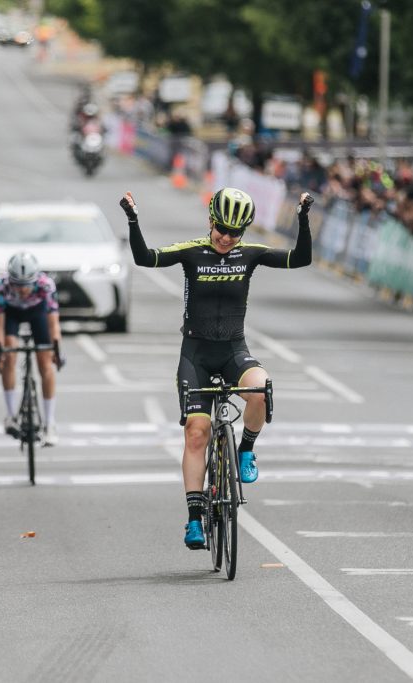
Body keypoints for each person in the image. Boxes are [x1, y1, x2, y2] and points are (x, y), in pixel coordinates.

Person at [119, 187, 313, 550]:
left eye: (234, 232)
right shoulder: (191, 252)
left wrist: (302, 218)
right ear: (210, 221)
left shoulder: (250, 255)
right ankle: (194, 519)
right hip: (196, 356)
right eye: (221, 228)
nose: (226, 237)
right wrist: (133, 219)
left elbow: (300, 259)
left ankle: (246, 449)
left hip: (233, 351)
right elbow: (145, 258)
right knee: (196, 432)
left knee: (261, 389)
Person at [0, 252, 64, 445]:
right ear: (10, 280)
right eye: (17, 285)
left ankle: (49, 424)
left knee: (45, 364)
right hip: (12, 314)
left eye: (27, 285)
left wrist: (56, 350)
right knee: (10, 356)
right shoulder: (0, 286)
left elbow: (53, 324)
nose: (22, 290)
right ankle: (10, 416)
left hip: (37, 313)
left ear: (35, 280)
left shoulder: (45, 285)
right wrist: (0, 354)